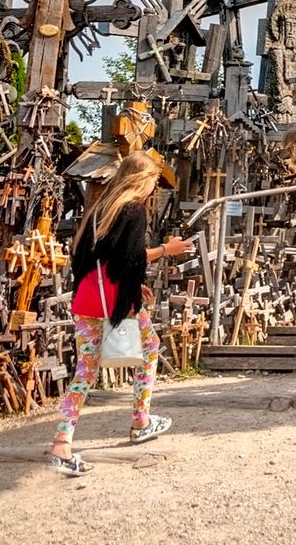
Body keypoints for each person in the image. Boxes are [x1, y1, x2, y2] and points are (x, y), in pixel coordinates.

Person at [47, 150, 192, 476]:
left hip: (87, 298)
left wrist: (132, 282)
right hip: (116, 303)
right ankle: (140, 420)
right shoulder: (133, 211)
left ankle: (62, 441)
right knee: (151, 348)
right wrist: (167, 250)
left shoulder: (100, 208)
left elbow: (94, 259)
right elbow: (131, 259)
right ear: (143, 179)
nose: (155, 186)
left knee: (85, 370)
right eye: (154, 179)